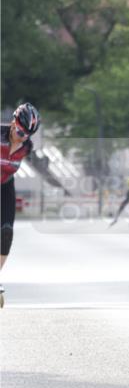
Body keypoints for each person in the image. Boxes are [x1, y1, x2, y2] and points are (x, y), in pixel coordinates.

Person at [1, 103, 41, 306]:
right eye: (19, 131)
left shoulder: (27, 147)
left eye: (27, 134)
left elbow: (41, 165)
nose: (22, 136)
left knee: (6, 232)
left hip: (5, 188)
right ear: (13, 122)